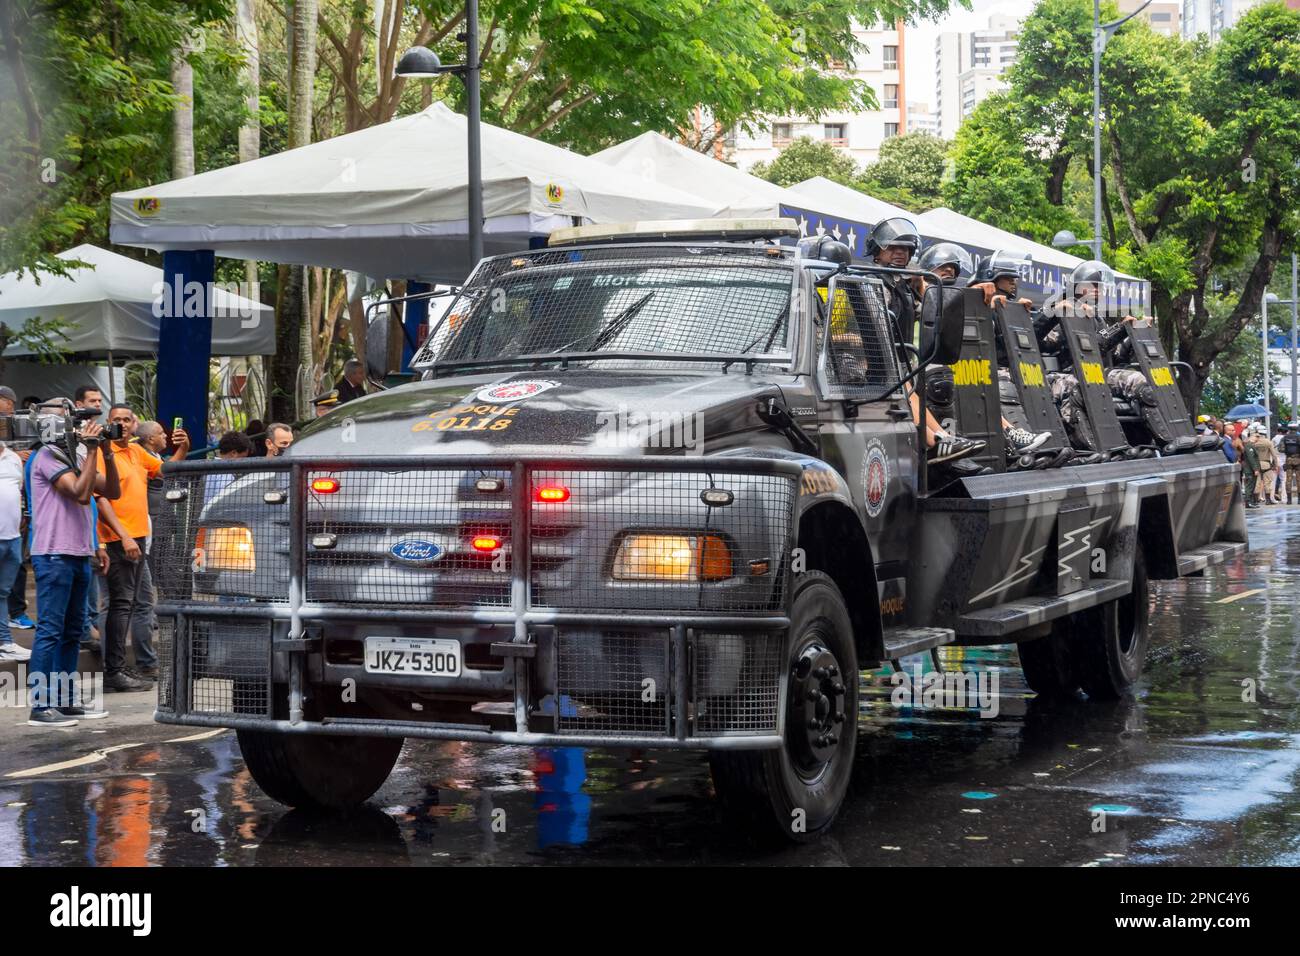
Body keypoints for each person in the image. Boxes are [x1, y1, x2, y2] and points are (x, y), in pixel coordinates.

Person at [26, 403, 121, 726]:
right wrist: (93, 450)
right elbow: (81, 494)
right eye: (77, 426)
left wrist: (106, 452)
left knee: (70, 632)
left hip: (79, 554)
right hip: (53, 554)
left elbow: (112, 490)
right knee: (50, 631)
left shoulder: (81, 455)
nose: (84, 430)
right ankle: (40, 706)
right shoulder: (48, 457)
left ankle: (65, 701)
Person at [863, 221, 984, 464]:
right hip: (862, 361)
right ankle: (936, 441)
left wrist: (920, 287)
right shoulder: (867, 281)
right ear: (877, 251)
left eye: (906, 249)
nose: (901, 253)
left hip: (896, 366)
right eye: (893, 247)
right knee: (903, 384)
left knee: (911, 384)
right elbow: (858, 332)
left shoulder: (902, 285)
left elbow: (932, 315)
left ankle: (941, 439)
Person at [95, 407, 189, 688]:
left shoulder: (136, 452)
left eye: (127, 419)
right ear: (108, 425)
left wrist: (183, 447)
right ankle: (114, 671)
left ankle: (125, 668)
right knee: (120, 605)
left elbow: (165, 470)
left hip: (137, 539)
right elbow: (100, 499)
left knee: (135, 603)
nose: (122, 424)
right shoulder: (102, 452)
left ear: (134, 425)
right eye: (116, 420)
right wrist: (123, 536)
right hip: (117, 539)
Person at [0, 386, 35, 633]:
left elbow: (19, 486)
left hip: (12, 530)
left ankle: (7, 634)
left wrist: (23, 511)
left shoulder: (14, 451)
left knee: (6, 584)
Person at [0, 408, 29, 663]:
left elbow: (17, 491)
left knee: (2, 592)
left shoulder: (12, 458)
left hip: (11, 537)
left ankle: (5, 642)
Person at [1282, 421, 1300, 504]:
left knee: (1288, 480)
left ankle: (1289, 500)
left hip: (1288, 459)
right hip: (1298, 460)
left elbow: (1280, 449)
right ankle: (1299, 500)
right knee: (1299, 479)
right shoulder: (1299, 437)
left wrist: (1287, 451)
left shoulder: (1285, 437)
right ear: (1296, 428)